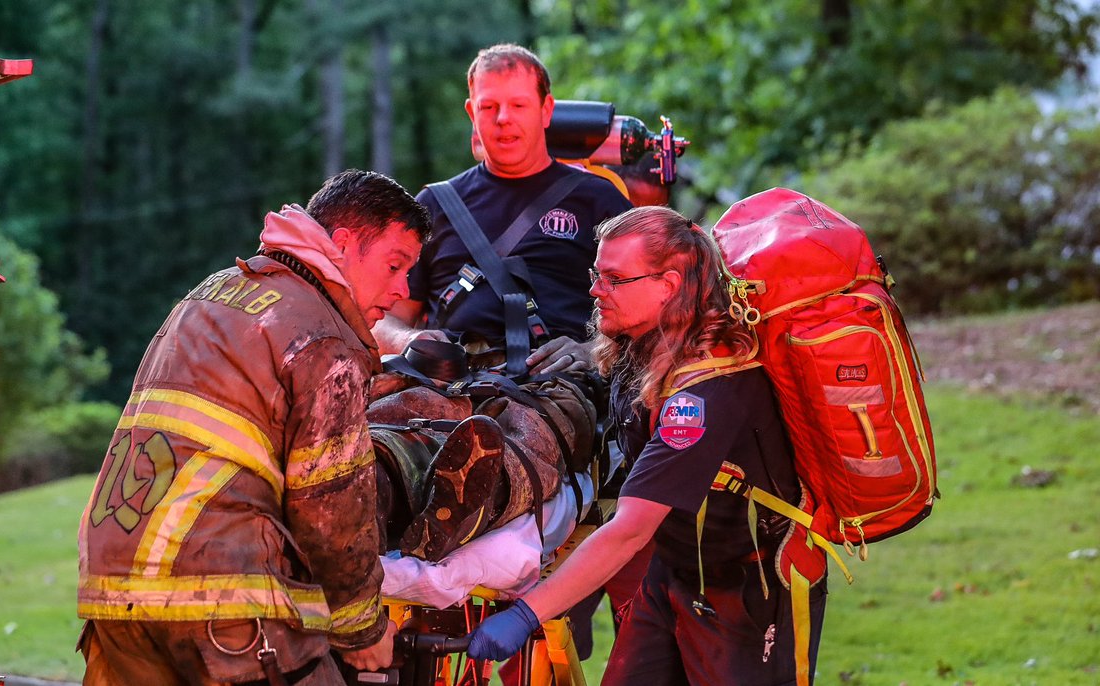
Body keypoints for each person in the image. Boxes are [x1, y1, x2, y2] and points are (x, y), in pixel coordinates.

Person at [76, 170, 432, 685]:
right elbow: (331, 509)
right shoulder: (323, 335)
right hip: (222, 596)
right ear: (344, 243)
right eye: (395, 265)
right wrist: (362, 630)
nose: (402, 292)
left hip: (113, 588)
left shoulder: (212, 293)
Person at [467, 206, 828, 684]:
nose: (596, 291)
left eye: (615, 279)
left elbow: (630, 530)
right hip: (677, 572)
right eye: (597, 274)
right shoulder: (643, 350)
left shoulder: (705, 395)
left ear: (669, 285)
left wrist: (526, 614)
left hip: (751, 590)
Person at [373, 43, 632, 375]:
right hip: (445, 383)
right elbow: (382, 316)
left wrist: (590, 351)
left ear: (546, 108)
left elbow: (648, 313)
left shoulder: (599, 199)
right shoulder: (432, 205)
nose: (503, 119)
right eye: (489, 106)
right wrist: (406, 339)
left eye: (519, 105)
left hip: (556, 383)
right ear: (471, 113)